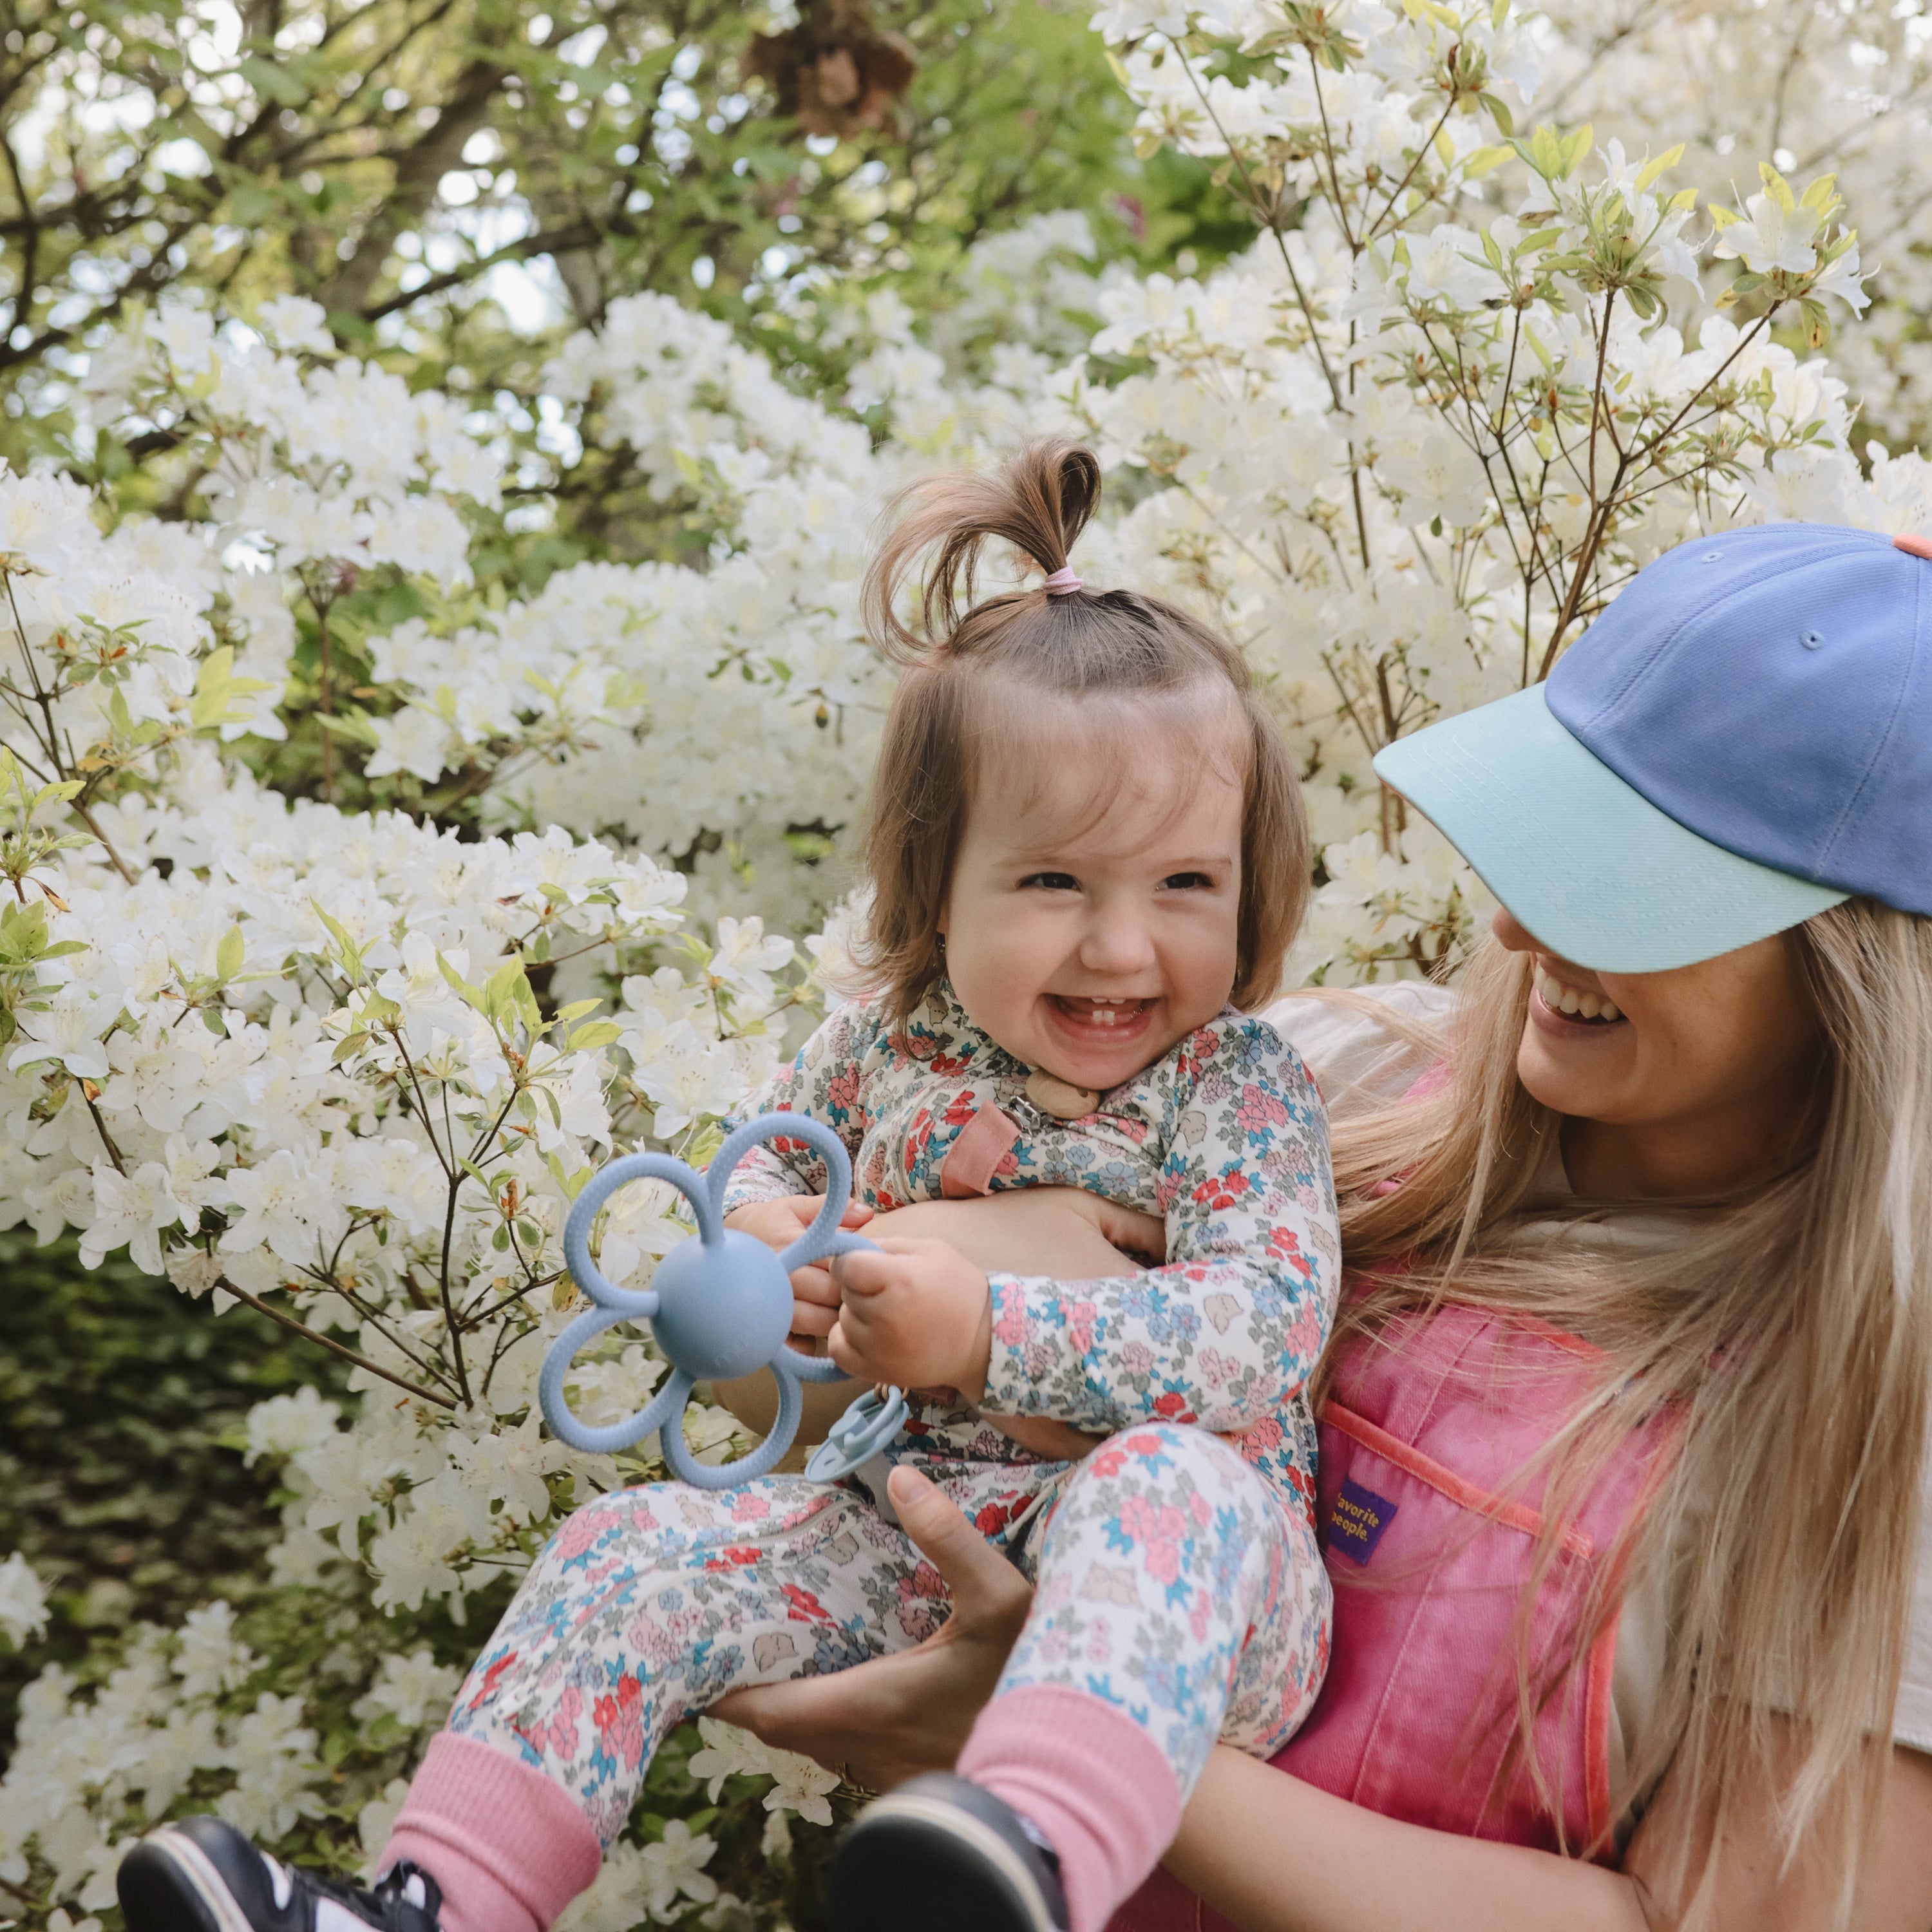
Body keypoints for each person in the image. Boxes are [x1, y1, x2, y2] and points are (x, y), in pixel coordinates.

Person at [115, 442, 1345, 1932]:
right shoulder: (880, 1047)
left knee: (1162, 1485)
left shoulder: (1233, 1084)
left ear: (1251, 881)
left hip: (1194, 1602)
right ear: (933, 883)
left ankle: (1025, 1856)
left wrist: (987, 1329)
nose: (1122, 946)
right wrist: (764, 1232)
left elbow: (1261, 1331)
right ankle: (429, 1905)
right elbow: (765, 1161)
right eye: (1054, 882)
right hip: (903, 1541)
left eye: (1185, 884)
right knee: (626, 1550)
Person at [717, 520, 1932, 1930]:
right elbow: (789, 1396)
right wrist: (831, 1287)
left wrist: (1070, 1742)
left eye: (1626, 891)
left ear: (1866, 968)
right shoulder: (1335, 1080)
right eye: (1548, 837)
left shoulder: (1883, 1416)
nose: (1517, 929)